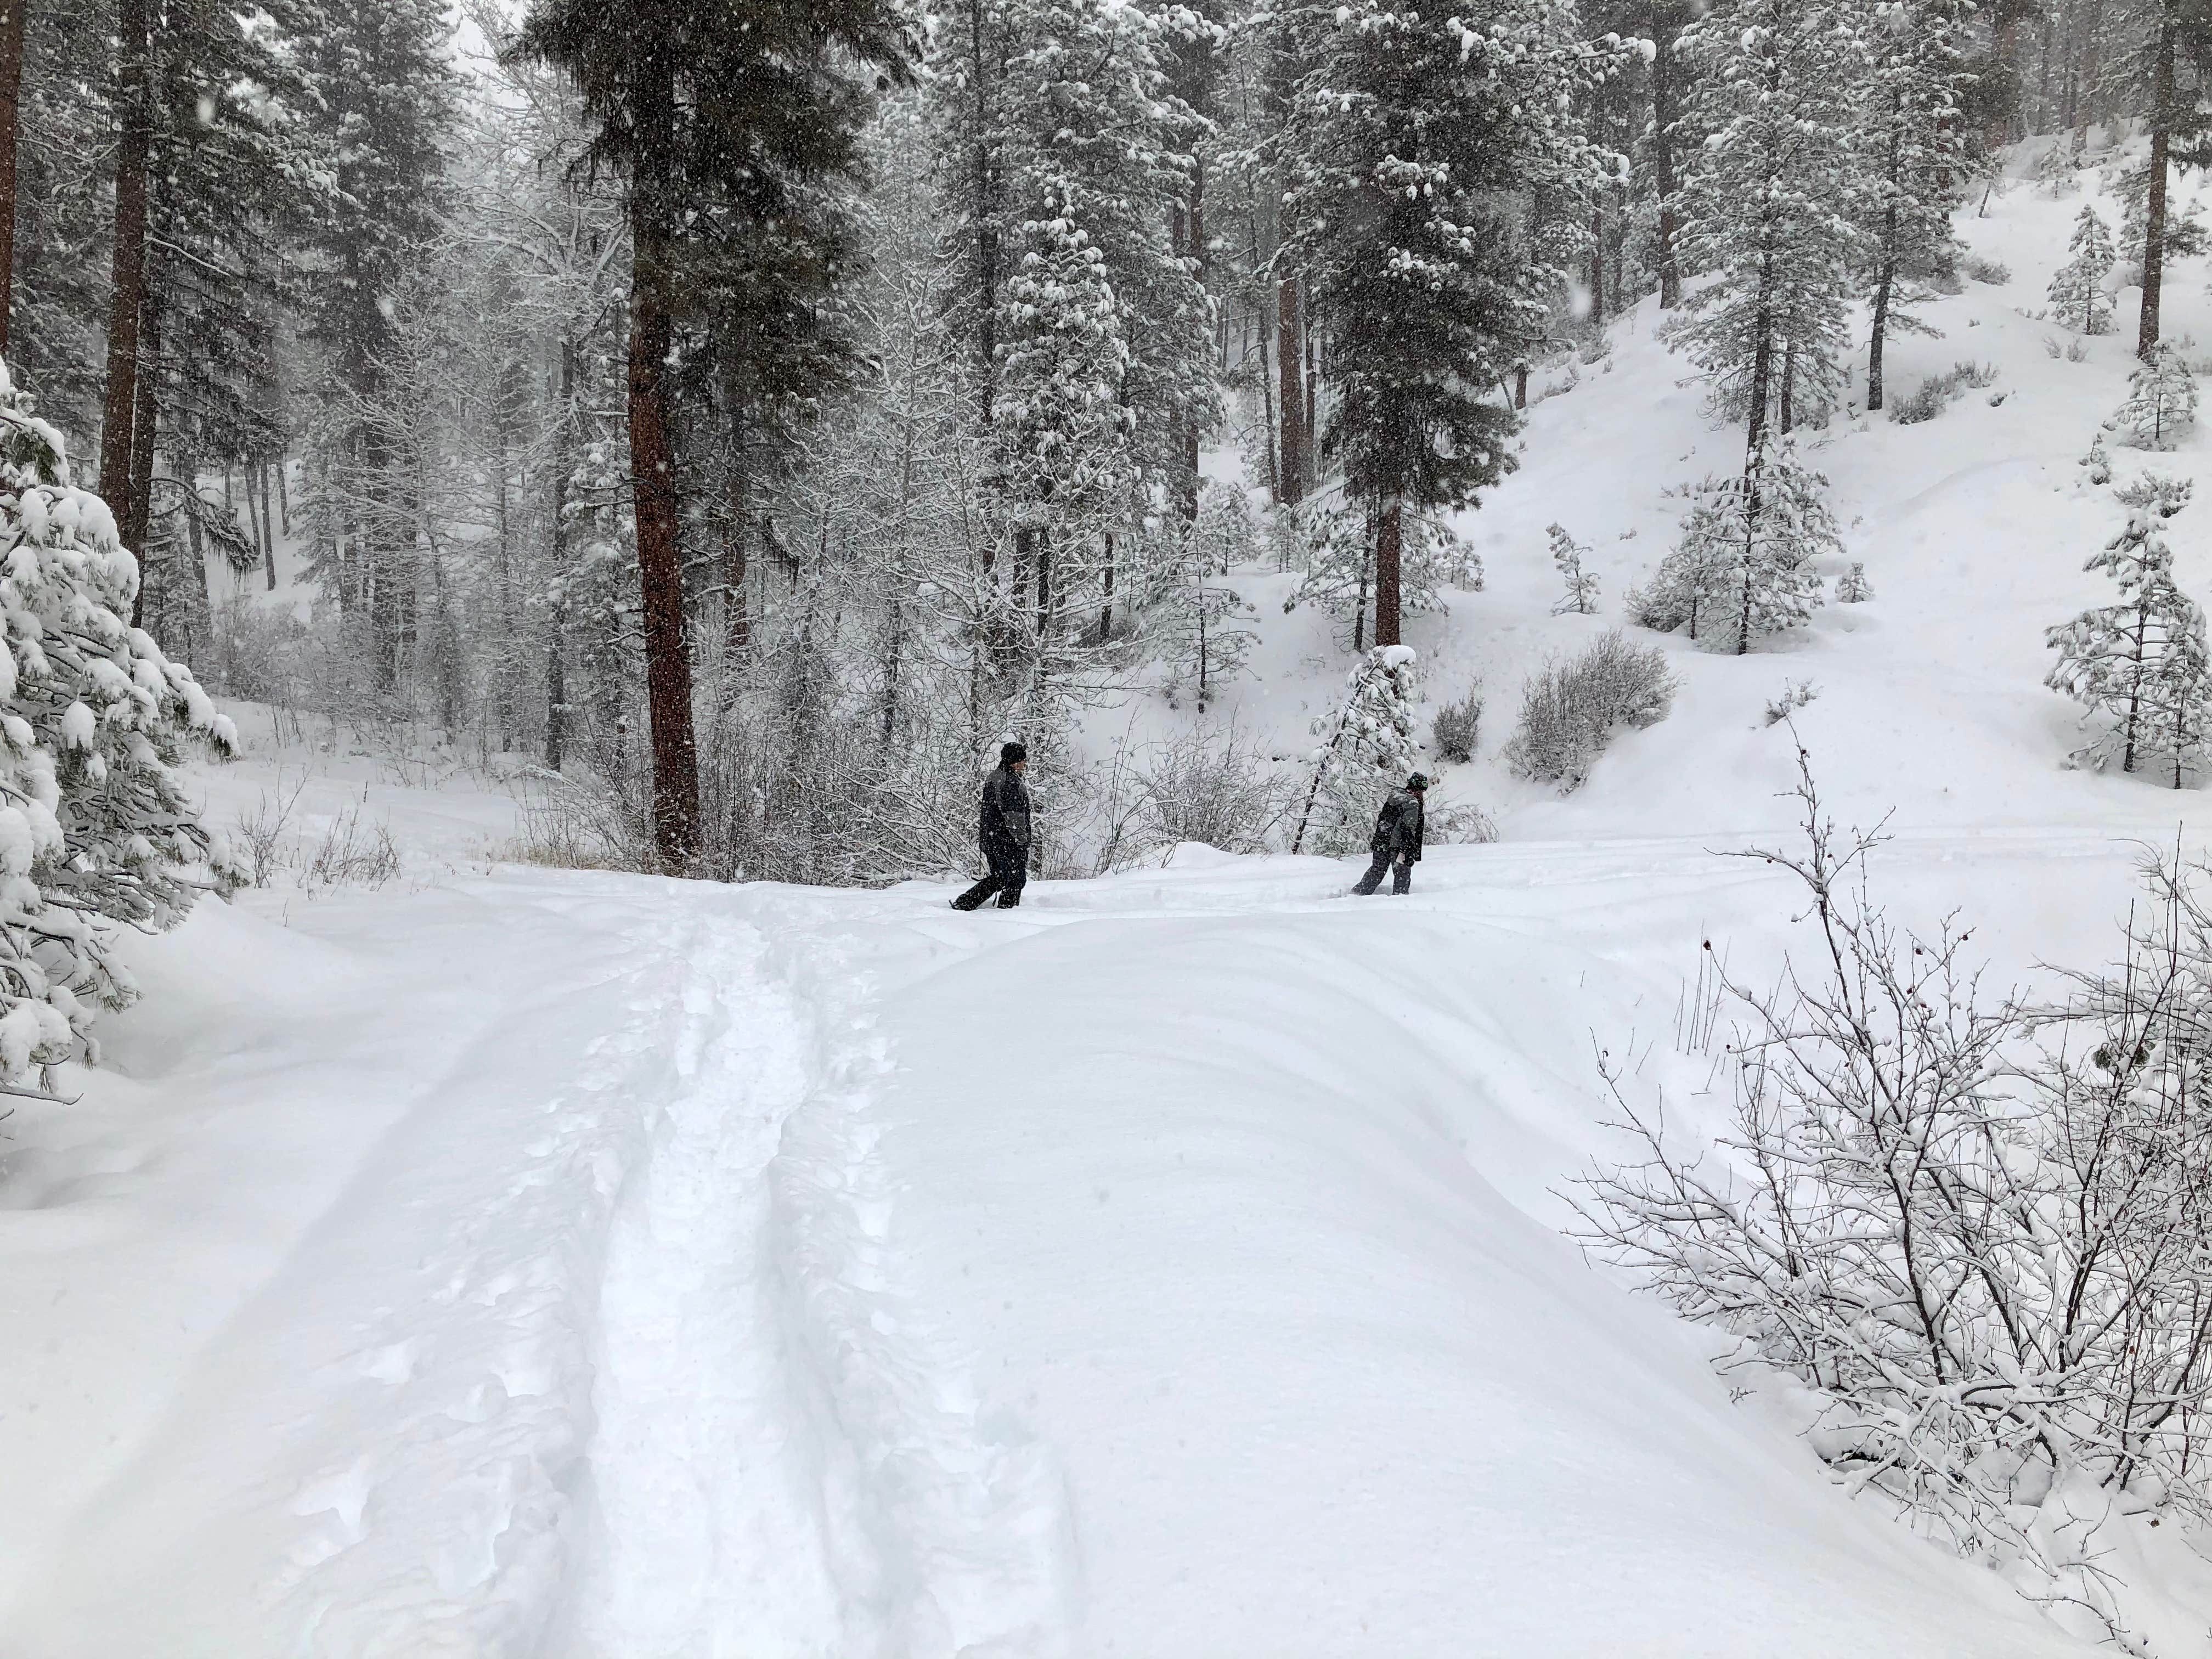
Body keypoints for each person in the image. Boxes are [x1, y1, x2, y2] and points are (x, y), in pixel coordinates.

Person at [951, 741, 1033, 910]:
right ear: (1015, 761)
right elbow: (1014, 817)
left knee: (1000, 877)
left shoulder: (995, 777)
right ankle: (1007, 912)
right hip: (1007, 841)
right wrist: (1022, 841)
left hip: (992, 839)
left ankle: (965, 903)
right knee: (1015, 880)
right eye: (1023, 760)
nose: (1025, 763)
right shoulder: (1010, 782)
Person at [1352, 774, 1428, 895]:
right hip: (1398, 846)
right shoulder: (1412, 804)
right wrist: (1407, 850)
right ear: (1418, 790)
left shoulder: (1394, 798)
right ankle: (1399, 902)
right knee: (1402, 875)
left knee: (1377, 871)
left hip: (1381, 841)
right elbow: (1408, 828)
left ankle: (1356, 894)